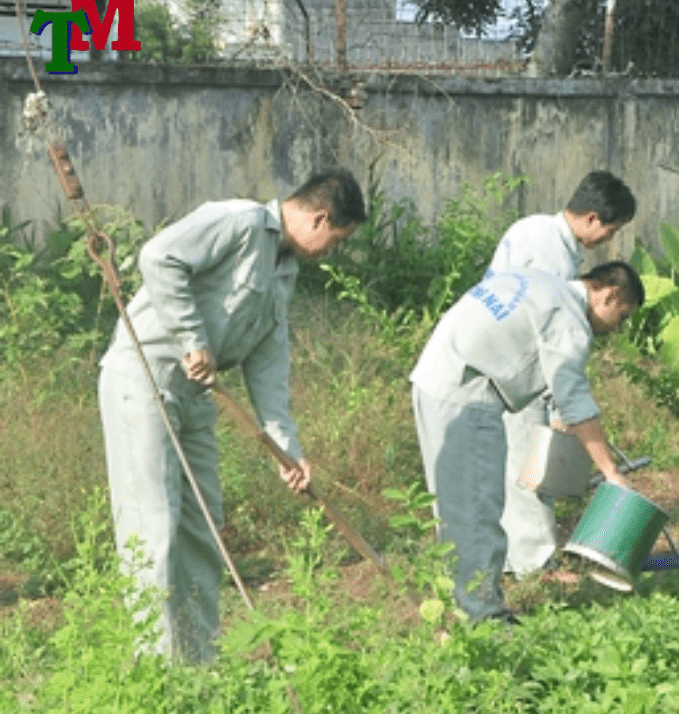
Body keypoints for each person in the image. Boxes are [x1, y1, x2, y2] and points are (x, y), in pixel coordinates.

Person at [98, 168, 366, 663]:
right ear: (320, 218)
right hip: (145, 376)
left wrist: (287, 453)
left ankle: (199, 667)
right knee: (153, 525)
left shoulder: (284, 273)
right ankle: (157, 672)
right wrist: (191, 338)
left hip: (197, 396)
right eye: (337, 239)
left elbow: (268, 372)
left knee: (202, 528)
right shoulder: (239, 222)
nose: (333, 251)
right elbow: (158, 257)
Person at [409, 261, 643, 622]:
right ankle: (484, 617)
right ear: (609, 295)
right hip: (468, 393)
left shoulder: (542, 282)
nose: (617, 328)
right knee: (477, 507)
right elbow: (575, 398)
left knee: (454, 507)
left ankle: (457, 605)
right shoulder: (571, 320)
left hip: (436, 377)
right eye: (622, 316)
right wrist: (611, 471)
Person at [489, 170, 637, 576]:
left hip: (501, 360)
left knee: (508, 470)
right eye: (611, 229)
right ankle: (535, 563)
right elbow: (552, 337)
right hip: (516, 367)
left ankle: (508, 559)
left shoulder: (535, 230)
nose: (608, 239)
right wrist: (559, 407)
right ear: (591, 218)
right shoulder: (551, 254)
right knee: (529, 471)